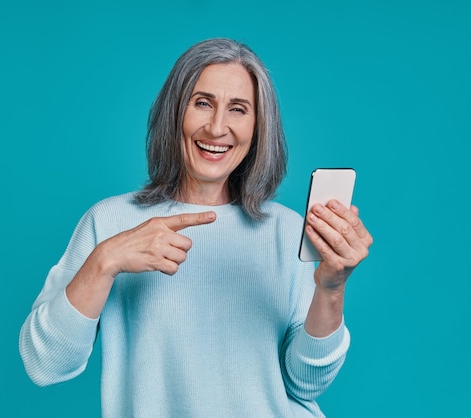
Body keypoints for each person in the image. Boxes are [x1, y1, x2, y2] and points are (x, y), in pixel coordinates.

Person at [19, 38, 373, 418]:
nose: (217, 127)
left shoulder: (288, 232)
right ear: (176, 112)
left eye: (238, 109)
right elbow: (46, 364)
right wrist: (105, 260)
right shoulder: (109, 221)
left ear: (258, 128)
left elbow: (306, 383)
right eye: (202, 103)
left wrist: (332, 288)